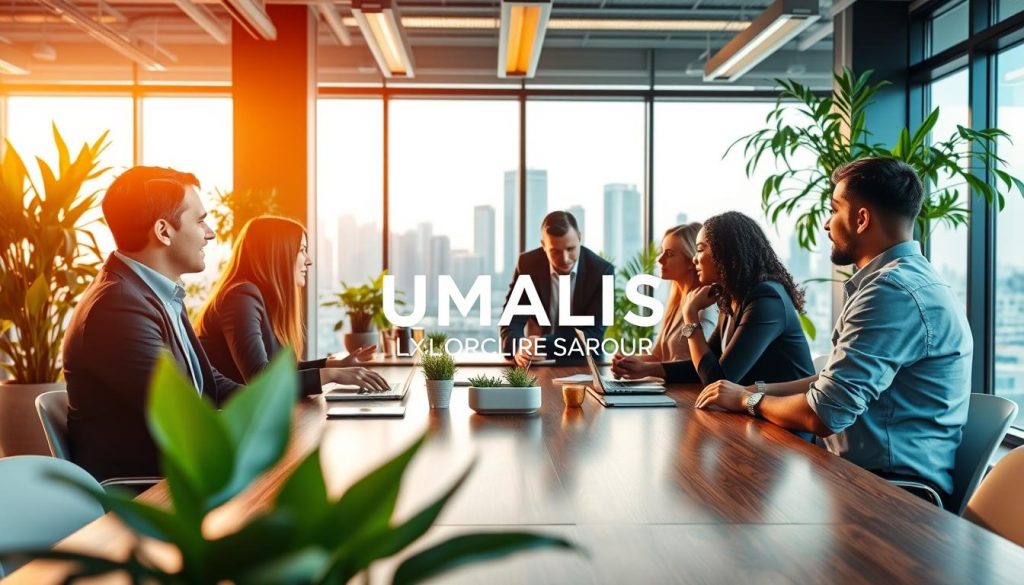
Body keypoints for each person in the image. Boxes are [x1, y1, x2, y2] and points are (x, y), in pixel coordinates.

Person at [695, 157, 972, 507]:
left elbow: (824, 414)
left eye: (834, 209)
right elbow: (828, 381)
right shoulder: (897, 282)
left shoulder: (892, 292)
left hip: (891, 496)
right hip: (850, 477)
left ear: (861, 219)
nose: (826, 224)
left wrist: (748, 401)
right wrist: (750, 390)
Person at [63, 166, 242, 481]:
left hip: (180, 472)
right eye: (200, 220)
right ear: (163, 231)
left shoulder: (153, 293)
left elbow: (208, 385)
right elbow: (180, 413)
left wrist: (280, 406)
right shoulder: (117, 307)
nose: (210, 232)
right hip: (151, 488)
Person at [195, 216, 390, 396]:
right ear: (278, 254)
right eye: (302, 250)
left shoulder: (256, 297)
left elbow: (277, 371)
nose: (309, 261)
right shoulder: (241, 297)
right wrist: (331, 375)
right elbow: (262, 380)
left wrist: (334, 364)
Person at [642, 211, 813, 386]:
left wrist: (690, 314)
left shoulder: (766, 299)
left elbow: (716, 379)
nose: (695, 259)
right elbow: (706, 366)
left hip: (785, 410)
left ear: (727, 255)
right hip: (752, 407)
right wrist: (647, 369)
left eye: (700, 249)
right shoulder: (732, 297)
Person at [500, 210, 615, 367]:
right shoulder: (527, 265)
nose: (565, 259)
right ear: (543, 246)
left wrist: (543, 344)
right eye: (555, 251)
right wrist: (519, 347)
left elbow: (593, 336)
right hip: (536, 365)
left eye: (571, 248)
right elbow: (511, 321)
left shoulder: (602, 272)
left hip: (584, 365)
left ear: (579, 238)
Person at [611, 223, 717, 378]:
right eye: (662, 252)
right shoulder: (677, 303)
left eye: (669, 254)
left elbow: (698, 367)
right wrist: (627, 363)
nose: (659, 259)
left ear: (691, 260)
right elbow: (658, 356)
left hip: (688, 394)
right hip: (671, 389)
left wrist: (646, 369)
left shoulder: (705, 306)